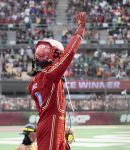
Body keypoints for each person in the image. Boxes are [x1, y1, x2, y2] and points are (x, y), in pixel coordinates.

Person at [28, 11, 86, 150]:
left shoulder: (35, 81)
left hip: (51, 124)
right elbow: (69, 54)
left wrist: (62, 129)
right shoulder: (50, 75)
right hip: (52, 126)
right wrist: (80, 30)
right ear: (54, 56)